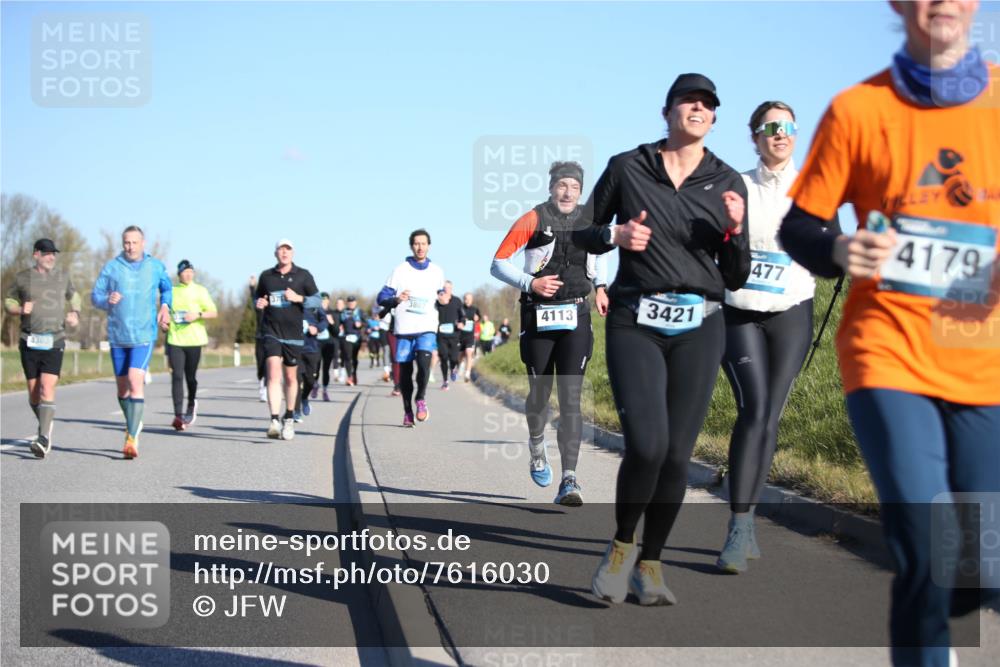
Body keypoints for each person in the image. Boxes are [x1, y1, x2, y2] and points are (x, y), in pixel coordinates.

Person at [779, 2, 999, 663]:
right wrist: (841, 250)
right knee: (925, 546)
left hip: (981, 355)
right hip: (888, 351)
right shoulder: (858, 110)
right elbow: (801, 226)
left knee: (981, 560)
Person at [574, 74, 749, 605]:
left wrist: (737, 233)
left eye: (707, 106)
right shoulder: (629, 166)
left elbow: (736, 275)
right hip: (635, 318)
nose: (698, 109)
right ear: (667, 110)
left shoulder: (728, 181)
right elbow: (581, 227)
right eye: (688, 102)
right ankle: (622, 546)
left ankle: (651, 565)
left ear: (714, 120)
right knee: (647, 445)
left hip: (702, 323)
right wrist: (615, 236)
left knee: (676, 455)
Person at [714, 101, 842, 572]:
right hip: (740, 312)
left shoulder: (815, 188)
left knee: (771, 414)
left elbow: (832, 251)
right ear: (754, 137)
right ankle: (739, 527)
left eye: (787, 126)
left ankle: (745, 518)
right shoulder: (736, 186)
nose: (779, 133)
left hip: (791, 310)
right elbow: (712, 242)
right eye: (770, 127)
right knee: (754, 407)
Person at [492, 160, 609, 505]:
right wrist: (531, 282)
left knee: (571, 399)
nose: (567, 191)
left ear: (581, 190)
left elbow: (601, 254)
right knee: (540, 397)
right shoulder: (533, 218)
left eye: (574, 186)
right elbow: (497, 262)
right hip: (538, 316)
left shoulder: (590, 219)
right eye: (562, 185)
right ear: (551, 187)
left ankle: (569, 480)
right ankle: (536, 445)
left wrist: (601, 286)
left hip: (577, 313)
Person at [92, 226, 173, 459]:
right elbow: (95, 296)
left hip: (144, 335)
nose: (130, 247)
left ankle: (132, 436)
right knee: (121, 388)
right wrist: (107, 299)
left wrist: (165, 306)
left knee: (135, 379)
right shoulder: (112, 267)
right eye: (127, 242)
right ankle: (133, 421)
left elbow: (167, 287)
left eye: (134, 242)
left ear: (143, 243)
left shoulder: (154, 266)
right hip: (118, 336)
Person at [4, 238, 81, 458]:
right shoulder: (22, 278)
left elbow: (74, 296)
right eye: (47, 253)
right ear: (36, 254)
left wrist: (75, 313)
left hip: (54, 340)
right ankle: (45, 426)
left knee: (47, 388)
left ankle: (44, 437)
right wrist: (19, 309)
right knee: (34, 394)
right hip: (29, 340)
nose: (51, 257)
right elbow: (8, 301)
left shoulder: (62, 277)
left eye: (54, 254)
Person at [377, 228, 445, 426]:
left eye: (423, 243)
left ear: (429, 246)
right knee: (405, 374)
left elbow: (442, 295)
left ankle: (420, 399)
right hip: (404, 329)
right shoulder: (400, 270)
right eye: (416, 243)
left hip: (427, 327)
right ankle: (407, 411)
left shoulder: (437, 271)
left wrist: (444, 298)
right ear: (411, 246)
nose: (420, 247)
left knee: (424, 366)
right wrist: (396, 298)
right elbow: (381, 298)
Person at [253, 239, 319, 440]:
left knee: (291, 378)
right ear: (275, 253)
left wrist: (299, 298)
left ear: (293, 253)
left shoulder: (303, 275)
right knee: (273, 374)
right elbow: (257, 298)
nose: (284, 253)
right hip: (271, 331)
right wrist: (260, 302)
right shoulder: (266, 276)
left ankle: (288, 418)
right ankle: (274, 419)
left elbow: (317, 300)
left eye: (287, 250)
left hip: (294, 335)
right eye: (281, 249)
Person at [166, 260, 218, 431]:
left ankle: (191, 404)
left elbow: (214, 312)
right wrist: (164, 324)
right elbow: (165, 314)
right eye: (184, 272)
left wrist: (198, 314)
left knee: (190, 377)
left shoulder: (200, 291)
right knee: (177, 376)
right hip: (175, 340)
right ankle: (178, 416)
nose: (188, 275)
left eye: (190, 272)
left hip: (194, 340)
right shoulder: (171, 291)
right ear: (179, 274)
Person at [295, 296, 328, 421]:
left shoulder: (314, 304)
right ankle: (296, 411)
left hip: (311, 348)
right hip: (295, 349)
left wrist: (317, 328)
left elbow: (324, 320)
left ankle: (304, 398)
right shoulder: (291, 303)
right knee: (296, 380)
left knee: (310, 380)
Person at [434, 280, 463, 390]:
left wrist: (462, 323)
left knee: (454, 358)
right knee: (443, 356)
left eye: (448, 288)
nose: (446, 290)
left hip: (454, 335)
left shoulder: (456, 301)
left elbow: (462, 316)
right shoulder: (437, 302)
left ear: (451, 289)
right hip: (441, 335)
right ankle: (445, 381)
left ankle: (453, 368)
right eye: (444, 288)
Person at [316, 293, 342, 401]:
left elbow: (336, 332)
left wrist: (331, 322)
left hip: (329, 344)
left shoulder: (333, 313)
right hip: (316, 343)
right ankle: (314, 385)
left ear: (328, 301)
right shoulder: (315, 312)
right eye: (321, 300)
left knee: (326, 368)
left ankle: (325, 391)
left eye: (325, 300)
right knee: (315, 367)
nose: (323, 302)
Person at [249, 275, 267, 402]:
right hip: (260, 338)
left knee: (269, 365)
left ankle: (266, 390)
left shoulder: (274, 305)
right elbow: (253, 298)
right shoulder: (258, 307)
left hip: (272, 338)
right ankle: (261, 383)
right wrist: (252, 287)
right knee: (260, 365)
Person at [340, 296, 364, 386]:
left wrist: (361, 324)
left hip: (357, 338)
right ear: (347, 303)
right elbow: (339, 321)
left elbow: (366, 322)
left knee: (354, 358)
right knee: (347, 357)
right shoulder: (343, 312)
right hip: (346, 336)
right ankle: (349, 377)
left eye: (353, 302)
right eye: (349, 302)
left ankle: (354, 374)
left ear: (356, 302)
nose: (351, 304)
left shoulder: (360, 311)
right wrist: (339, 326)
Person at [458, 292, 480, 381]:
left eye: (469, 299)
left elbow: (479, 318)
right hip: (460, 336)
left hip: (470, 336)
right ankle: (461, 364)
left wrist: (477, 318)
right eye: (466, 299)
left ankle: (467, 373)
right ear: (464, 299)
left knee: (468, 353)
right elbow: (455, 318)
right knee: (460, 355)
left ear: (472, 300)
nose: (467, 300)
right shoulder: (460, 308)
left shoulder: (475, 309)